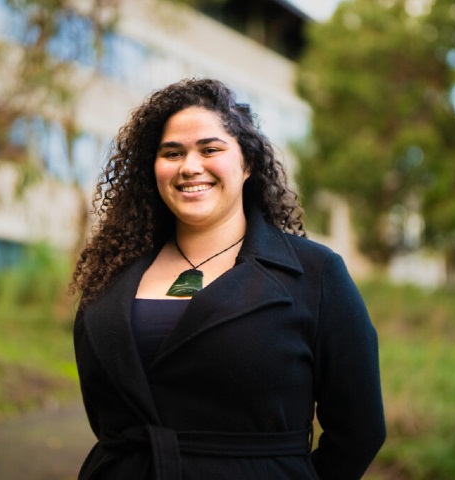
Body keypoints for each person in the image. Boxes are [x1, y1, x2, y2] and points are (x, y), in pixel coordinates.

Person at [70, 78, 385, 480]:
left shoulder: (315, 274)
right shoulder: (110, 277)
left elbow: (360, 430)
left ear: (247, 162)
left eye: (210, 149)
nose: (190, 166)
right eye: (172, 152)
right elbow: (107, 418)